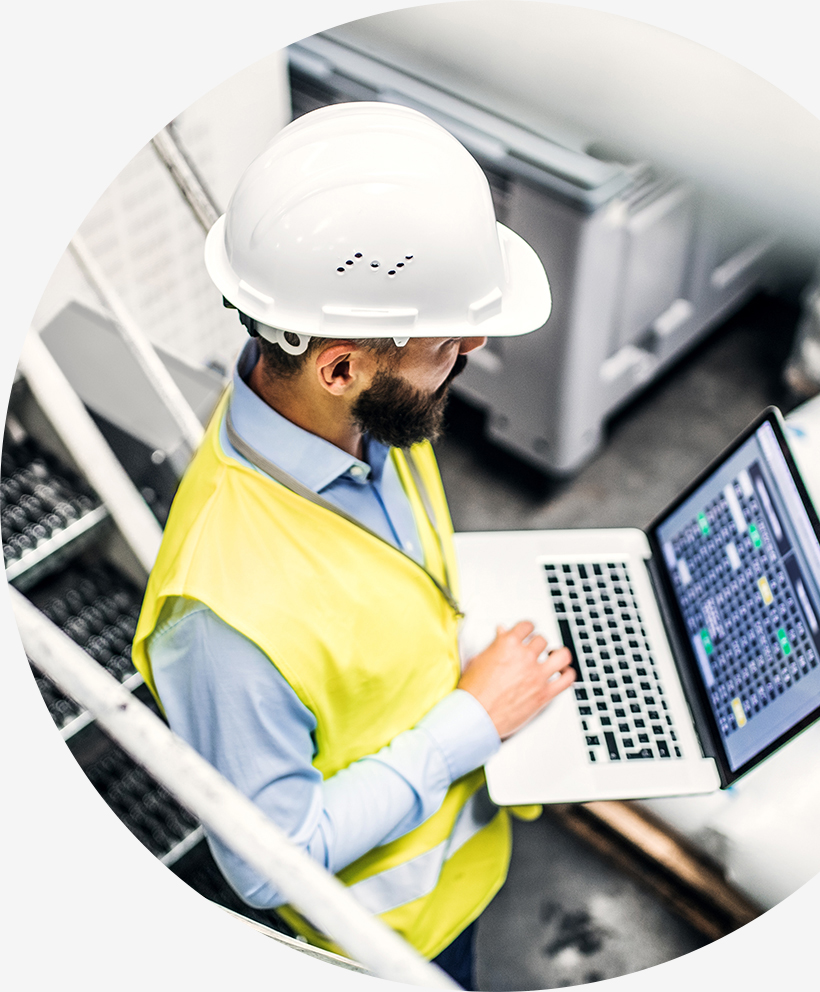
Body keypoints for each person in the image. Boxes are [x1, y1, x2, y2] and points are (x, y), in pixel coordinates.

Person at [131, 102, 574, 988]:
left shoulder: (368, 422)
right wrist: (474, 721)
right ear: (339, 366)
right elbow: (268, 864)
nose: (473, 346)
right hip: (390, 948)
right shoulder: (222, 616)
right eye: (447, 341)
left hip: (465, 874)